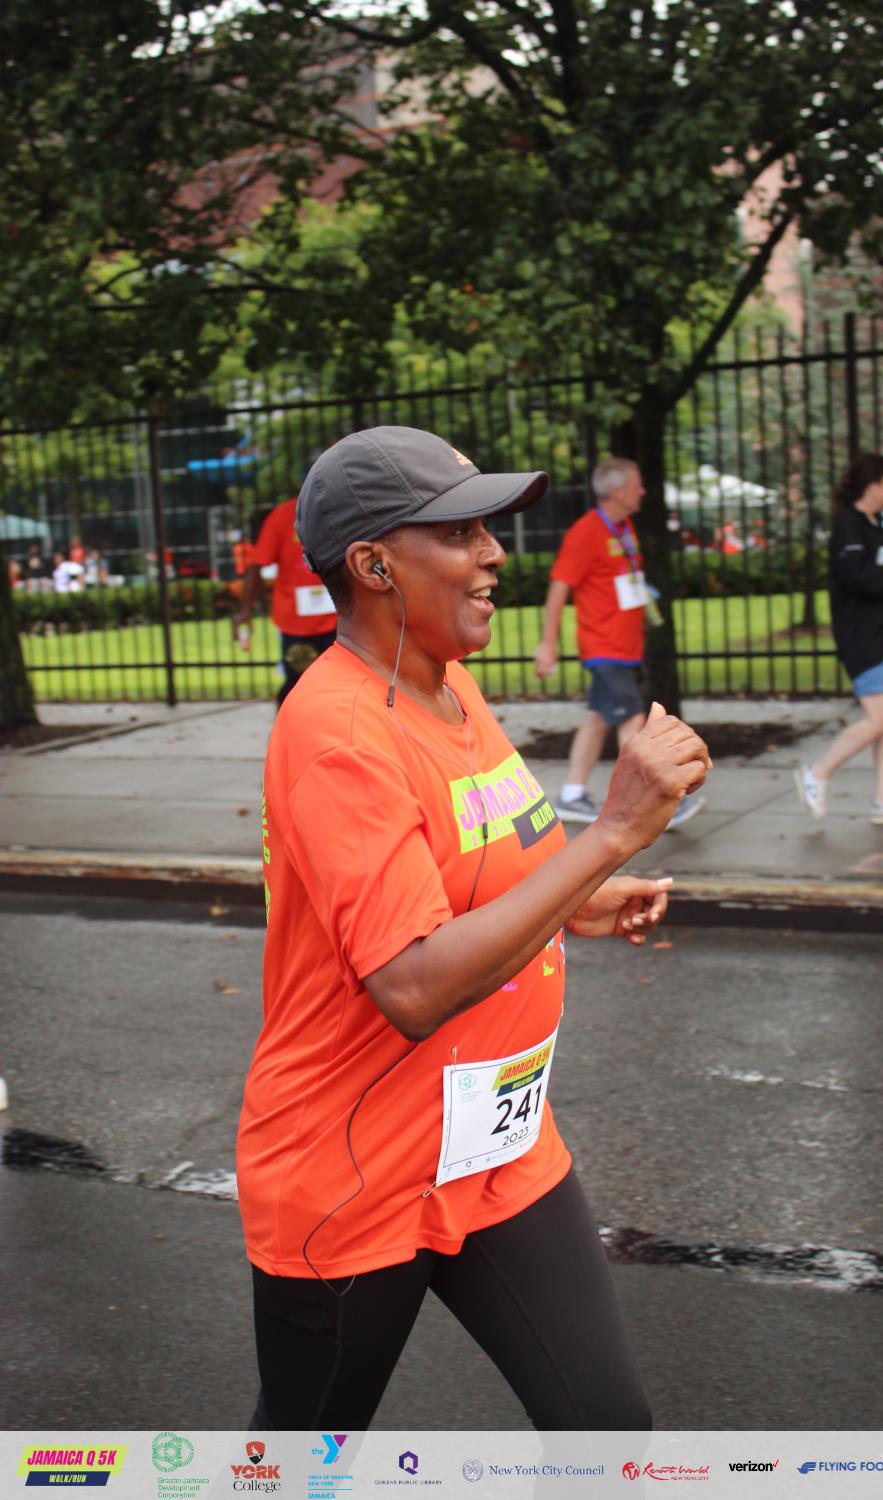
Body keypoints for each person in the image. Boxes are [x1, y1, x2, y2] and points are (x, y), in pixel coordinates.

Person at [236, 425, 711, 1431]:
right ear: (373, 565)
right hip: (355, 1171)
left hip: (495, 1148)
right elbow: (411, 985)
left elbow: (481, 862)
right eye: (459, 533)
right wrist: (611, 835)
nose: (494, 553)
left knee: (606, 1431)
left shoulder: (448, 684)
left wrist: (575, 898)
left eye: (488, 529)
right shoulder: (336, 731)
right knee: (303, 1463)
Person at [533, 457, 705, 830]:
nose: (643, 491)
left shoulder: (624, 527)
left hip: (623, 647)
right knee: (634, 722)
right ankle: (654, 803)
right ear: (617, 491)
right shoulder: (586, 532)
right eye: (636, 484)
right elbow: (559, 588)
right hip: (604, 648)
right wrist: (548, 644)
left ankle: (572, 795)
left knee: (598, 720)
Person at [795, 452, 883, 825]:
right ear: (872, 486)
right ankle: (818, 773)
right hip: (865, 639)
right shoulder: (848, 526)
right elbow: (860, 579)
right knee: (880, 716)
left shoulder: (873, 524)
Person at [232, 495, 338, 707]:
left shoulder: (340, 510)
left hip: (340, 618)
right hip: (295, 622)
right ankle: (289, 724)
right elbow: (257, 564)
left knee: (338, 683)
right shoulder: (282, 516)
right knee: (297, 684)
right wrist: (245, 611)